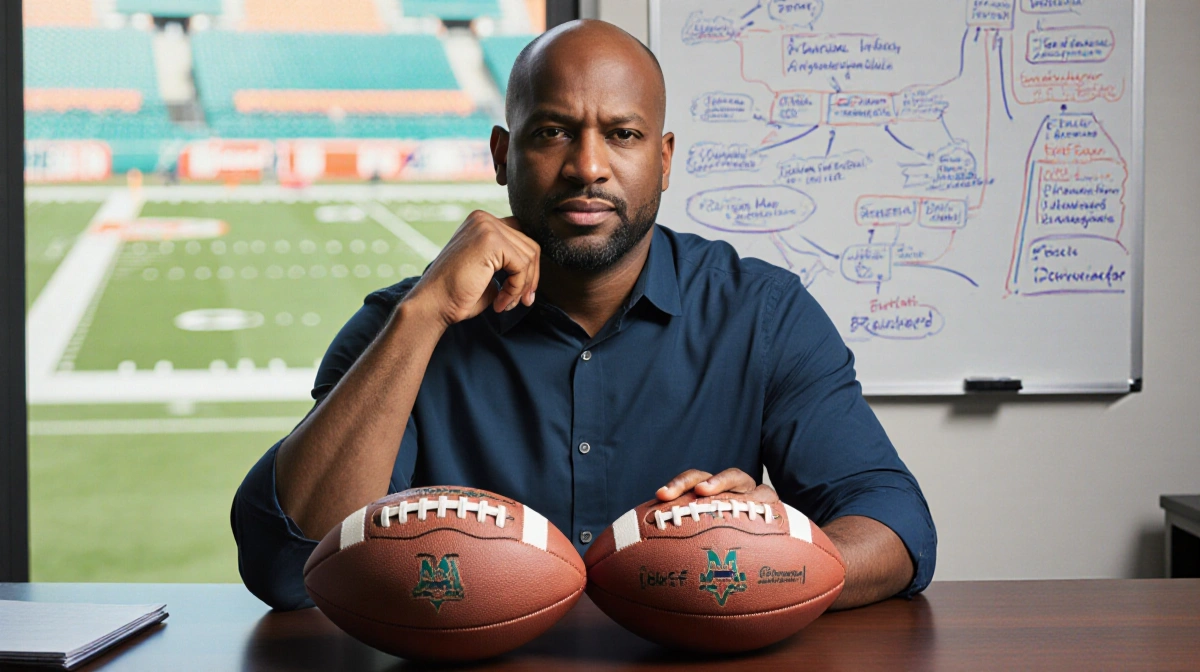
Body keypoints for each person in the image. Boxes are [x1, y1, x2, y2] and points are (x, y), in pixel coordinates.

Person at [231, 19, 935, 612]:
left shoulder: (762, 313)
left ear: (663, 160)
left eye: (623, 135)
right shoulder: (404, 326)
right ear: (503, 156)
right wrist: (422, 317)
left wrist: (768, 562)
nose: (588, 166)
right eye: (553, 133)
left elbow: (898, 524)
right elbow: (289, 564)